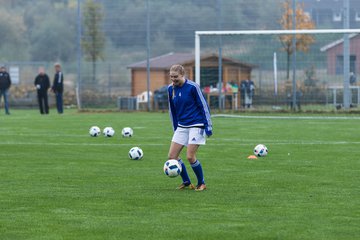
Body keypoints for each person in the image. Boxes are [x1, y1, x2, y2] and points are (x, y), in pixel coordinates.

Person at [167, 64, 212, 191]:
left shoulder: (193, 87)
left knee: (190, 156)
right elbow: (172, 110)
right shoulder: (170, 89)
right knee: (172, 156)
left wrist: (208, 126)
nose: (173, 79)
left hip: (196, 125)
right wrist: (175, 126)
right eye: (171, 77)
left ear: (182, 75)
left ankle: (201, 183)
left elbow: (204, 106)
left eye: (175, 77)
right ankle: (186, 181)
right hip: (182, 126)